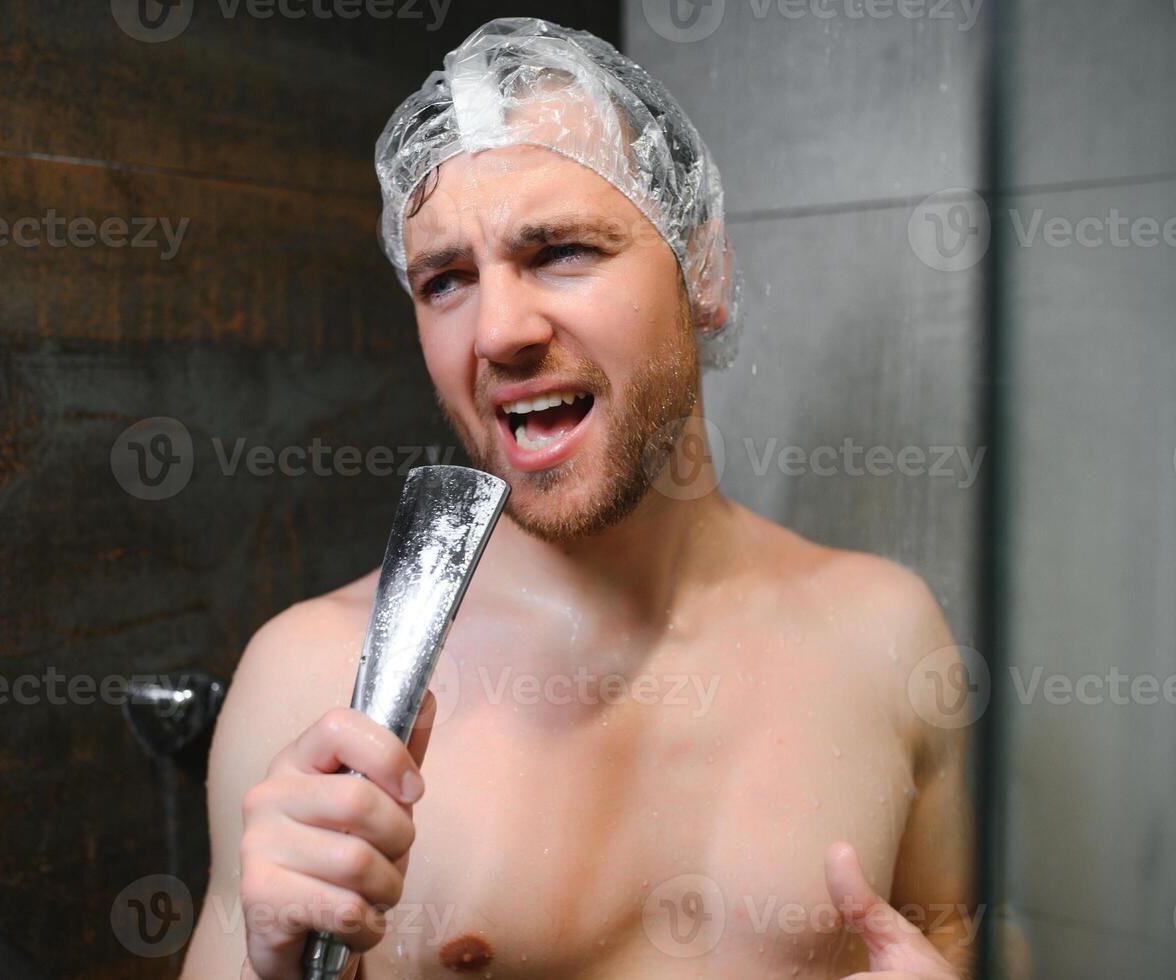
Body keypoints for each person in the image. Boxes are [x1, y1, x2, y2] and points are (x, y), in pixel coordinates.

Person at [182, 18, 976, 979]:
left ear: (706, 271)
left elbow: (961, 938)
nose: (499, 330)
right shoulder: (313, 681)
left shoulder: (883, 637)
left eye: (559, 250)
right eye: (445, 280)